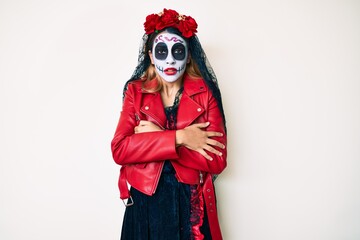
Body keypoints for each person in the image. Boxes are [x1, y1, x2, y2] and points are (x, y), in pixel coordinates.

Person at [111, 8, 227, 240]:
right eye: (162, 51)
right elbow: (120, 150)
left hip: (191, 205)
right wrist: (179, 137)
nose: (171, 59)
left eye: (178, 51)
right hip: (145, 202)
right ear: (151, 56)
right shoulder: (135, 92)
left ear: (189, 55)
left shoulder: (206, 94)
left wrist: (155, 138)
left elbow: (216, 161)